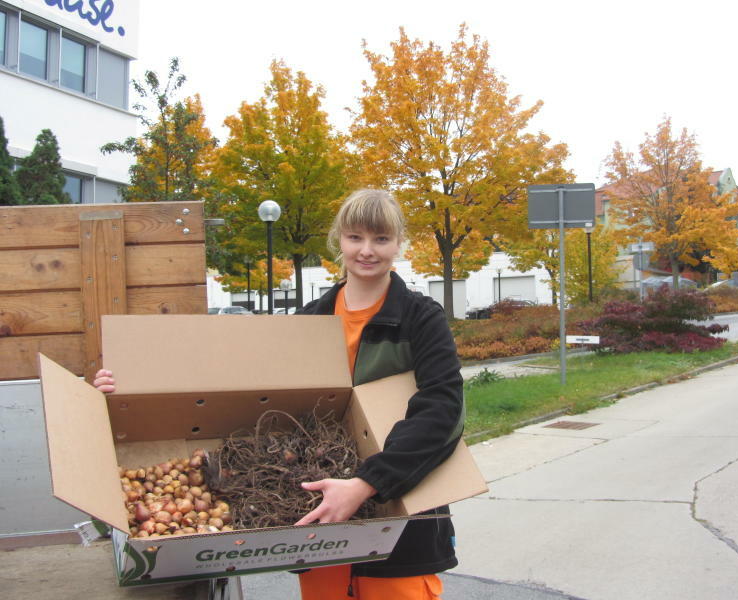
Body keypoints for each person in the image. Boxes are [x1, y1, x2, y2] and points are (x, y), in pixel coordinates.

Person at [93, 188, 464, 600]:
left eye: (381, 239)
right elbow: (236, 385)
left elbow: (442, 409)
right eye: (355, 237)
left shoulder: (420, 317)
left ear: (398, 244)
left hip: (401, 526)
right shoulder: (309, 321)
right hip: (318, 525)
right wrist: (129, 386)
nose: (367, 251)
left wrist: (366, 483)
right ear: (338, 240)